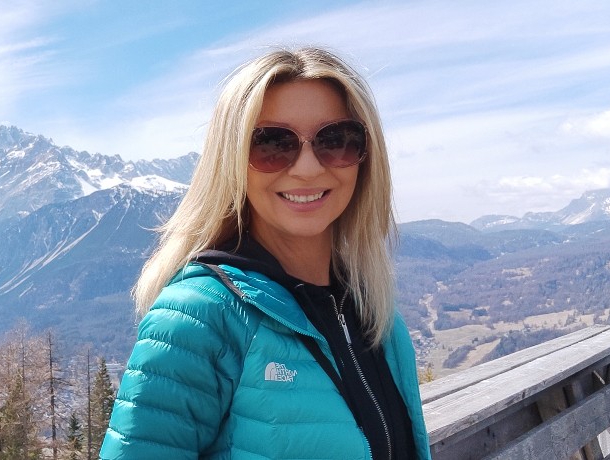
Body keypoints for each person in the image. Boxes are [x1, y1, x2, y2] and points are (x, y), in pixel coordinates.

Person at [99, 47, 431, 459]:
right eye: (272, 143)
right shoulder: (199, 318)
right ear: (232, 161)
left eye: (336, 140)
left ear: (365, 158)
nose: (308, 168)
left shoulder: (373, 312)